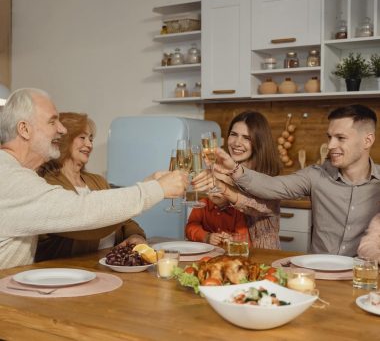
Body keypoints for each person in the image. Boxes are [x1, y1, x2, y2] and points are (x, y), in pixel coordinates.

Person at [0, 88, 187, 269]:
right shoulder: (10, 178)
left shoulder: (16, 174)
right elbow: (81, 211)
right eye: (52, 122)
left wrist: (150, 185)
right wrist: (156, 188)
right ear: (24, 129)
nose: (62, 129)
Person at [196, 104, 380, 257]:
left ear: (367, 140)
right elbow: (272, 186)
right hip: (320, 272)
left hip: (365, 275)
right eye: (329, 137)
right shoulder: (315, 175)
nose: (330, 145)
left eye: (340, 138)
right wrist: (234, 169)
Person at [35, 112, 147, 262]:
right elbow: (86, 223)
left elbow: (124, 219)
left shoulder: (98, 181)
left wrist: (135, 236)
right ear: (63, 139)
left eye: (91, 139)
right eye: (82, 137)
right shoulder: (48, 183)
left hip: (106, 266)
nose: (89, 144)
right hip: (66, 271)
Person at [186, 111, 281, 249]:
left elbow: (251, 205)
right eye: (234, 134)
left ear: (260, 142)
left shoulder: (270, 182)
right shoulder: (224, 171)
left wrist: (223, 188)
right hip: (228, 257)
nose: (237, 143)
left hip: (263, 259)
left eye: (246, 138)